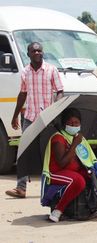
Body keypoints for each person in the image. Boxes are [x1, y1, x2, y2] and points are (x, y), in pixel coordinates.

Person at [5, 42, 64, 199]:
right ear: (28, 54)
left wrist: (56, 110)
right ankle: (21, 188)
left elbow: (60, 91)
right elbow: (22, 94)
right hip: (30, 117)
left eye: (39, 50)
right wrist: (15, 115)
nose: (37, 52)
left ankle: (53, 187)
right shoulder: (25, 72)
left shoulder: (51, 70)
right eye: (34, 51)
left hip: (47, 118)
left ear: (42, 53)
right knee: (23, 151)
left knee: (48, 152)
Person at [42, 108, 97, 222]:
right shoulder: (58, 138)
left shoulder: (79, 137)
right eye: (70, 123)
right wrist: (74, 144)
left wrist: (94, 169)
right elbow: (62, 162)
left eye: (76, 123)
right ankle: (58, 210)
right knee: (79, 181)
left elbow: (89, 158)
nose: (74, 125)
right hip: (57, 172)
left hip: (76, 170)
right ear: (65, 124)